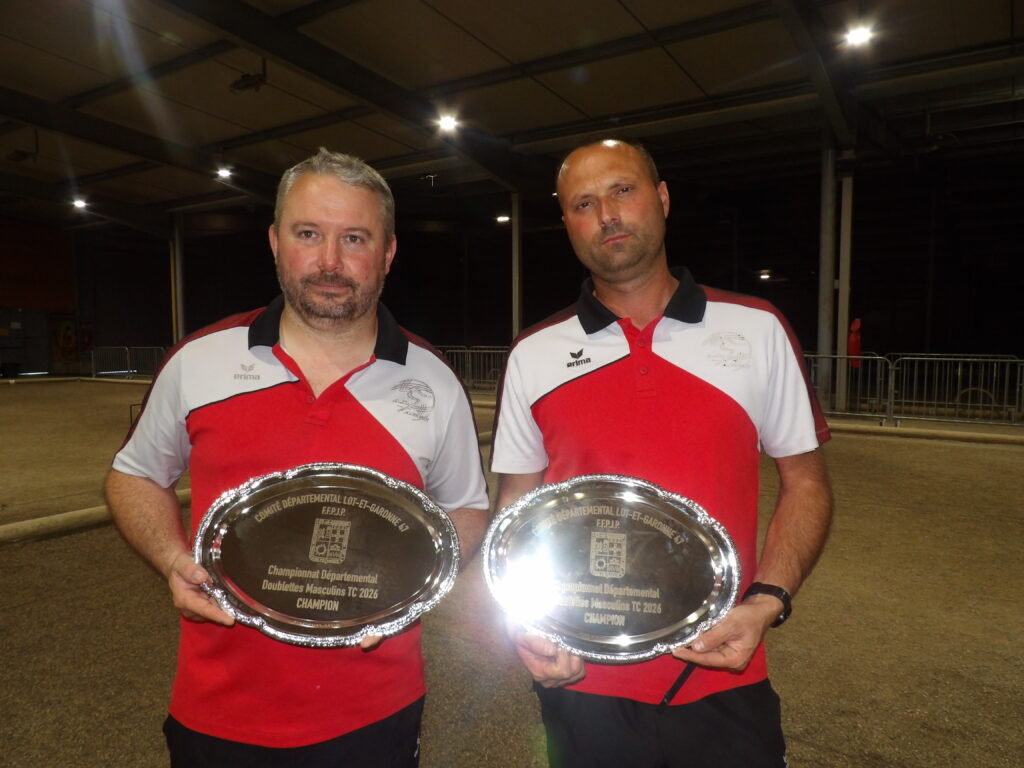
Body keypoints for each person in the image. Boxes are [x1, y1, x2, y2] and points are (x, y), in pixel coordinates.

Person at [104, 148, 489, 767]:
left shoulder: (434, 381)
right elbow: (135, 475)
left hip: (374, 711)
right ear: (275, 242)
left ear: (388, 254)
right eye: (308, 234)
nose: (330, 261)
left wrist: (414, 591)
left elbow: (466, 508)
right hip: (217, 710)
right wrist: (173, 560)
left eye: (354, 238)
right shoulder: (199, 362)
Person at [490, 138, 834, 768]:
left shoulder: (756, 329)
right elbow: (516, 508)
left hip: (722, 672)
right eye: (583, 204)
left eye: (623, 190)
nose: (607, 215)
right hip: (582, 679)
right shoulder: (533, 354)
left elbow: (806, 483)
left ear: (663, 198)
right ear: (566, 223)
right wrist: (521, 619)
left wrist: (767, 601)